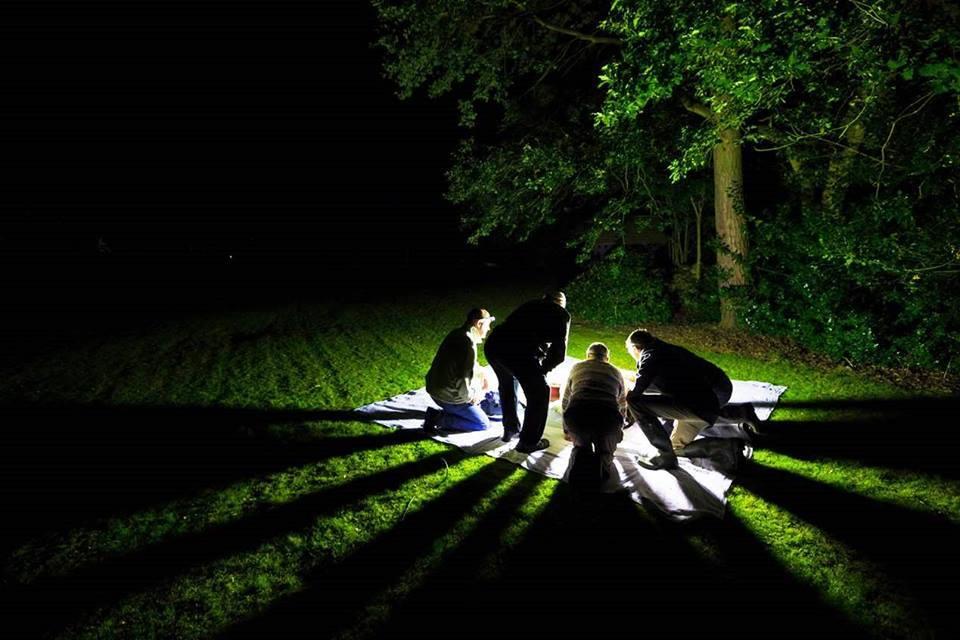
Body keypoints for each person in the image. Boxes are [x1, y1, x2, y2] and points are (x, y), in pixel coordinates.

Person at [624, 328, 759, 470]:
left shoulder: (650, 356)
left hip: (710, 396)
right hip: (708, 397)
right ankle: (737, 422)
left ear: (635, 348)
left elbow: (637, 391)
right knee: (677, 435)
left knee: (636, 404)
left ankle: (665, 455)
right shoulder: (665, 349)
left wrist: (625, 398)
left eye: (629, 351)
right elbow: (652, 382)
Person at [484, 291, 570, 454]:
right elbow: (559, 354)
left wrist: (539, 362)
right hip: (517, 352)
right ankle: (528, 442)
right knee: (540, 392)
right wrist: (543, 370)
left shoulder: (531, 304)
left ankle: (510, 428)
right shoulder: (561, 314)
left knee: (508, 384)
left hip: (494, 345)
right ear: (561, 304)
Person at [422, 308, 496, 434]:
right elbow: (462, 379)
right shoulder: (468, 345)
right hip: (446, 396)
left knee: (484, 392)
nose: (488, 329)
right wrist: (471, 398)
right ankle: (437, 418)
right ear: (479, 324)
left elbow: (466, 365)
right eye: (487, 325)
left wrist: (482, 373)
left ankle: (477, 406)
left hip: (434, 387)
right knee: (482, 423)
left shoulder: (458, 333)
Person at [561, 342, 627, 483]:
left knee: (581, 447)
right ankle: (601, 467)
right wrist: (619, 431)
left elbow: (566, 401)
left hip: (577, 416)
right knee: (605, 453)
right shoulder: (616, 372)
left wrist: (567, 430)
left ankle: (580, 457)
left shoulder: (576, 367)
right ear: (607, 358)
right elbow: (622, 405)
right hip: (607, 419)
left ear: (587, 356)